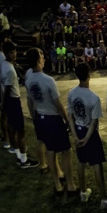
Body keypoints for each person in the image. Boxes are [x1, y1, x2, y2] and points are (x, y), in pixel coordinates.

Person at [24, 48, 78, 195]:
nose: (44, 58)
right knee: (66, 151)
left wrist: (33, 117)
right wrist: (66, 119)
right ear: (37, 60)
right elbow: (58, 103)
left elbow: (30, 101)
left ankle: (57, 184)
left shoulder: (28, 79)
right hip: (53, 118)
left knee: (50, 151)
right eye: (41, 56)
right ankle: (71, 184)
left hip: (40, 116)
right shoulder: (48, 80)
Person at [68, 62, 107, 208]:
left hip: (78, 129)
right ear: (89, 75)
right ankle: (104, 199)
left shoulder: (72, 93)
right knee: (96, 164)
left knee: (81, 161)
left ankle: (83, 191)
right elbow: (93, 122)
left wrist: (76, 135)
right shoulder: (93, 97)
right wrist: (86, 138)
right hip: (89, 133)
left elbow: (70, 116)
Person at [0, 41, 40, 168]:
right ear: (5, 53)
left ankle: (16, 151)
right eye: (11, 52)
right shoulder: (10, 70)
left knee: (12, 127)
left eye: (14, 51)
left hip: (10, 100)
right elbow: (7, 90)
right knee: (20, 130)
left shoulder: (5, 65)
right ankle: (24, 160)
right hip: (13, 100)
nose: (14, 54)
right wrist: (4, 105)